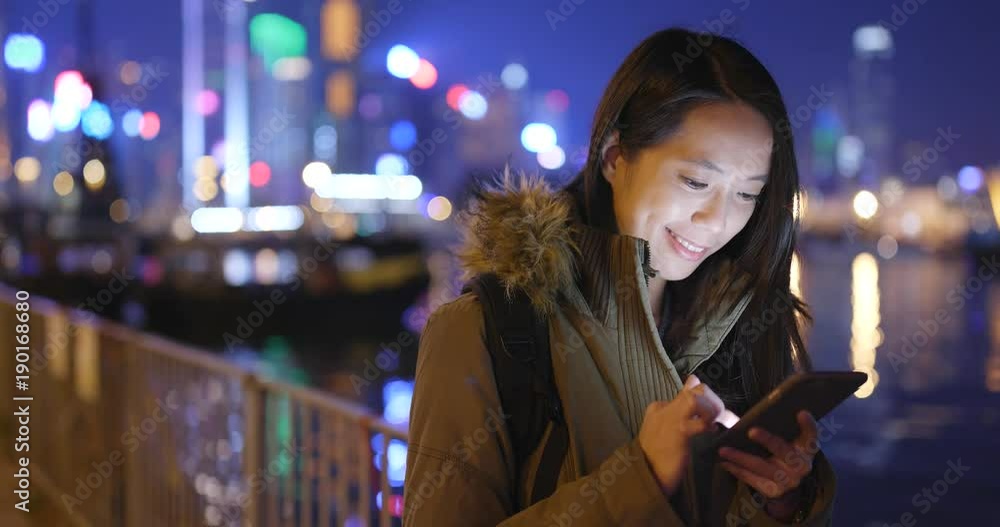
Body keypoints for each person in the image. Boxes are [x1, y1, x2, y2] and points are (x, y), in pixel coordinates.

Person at [404, 27, 836, 526]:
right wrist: (639, 480)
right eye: (696, 181)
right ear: (614, 157)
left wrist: (781, 502)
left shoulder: (740, 329)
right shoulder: (483, 331)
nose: (717, 221)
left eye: (746, 195)